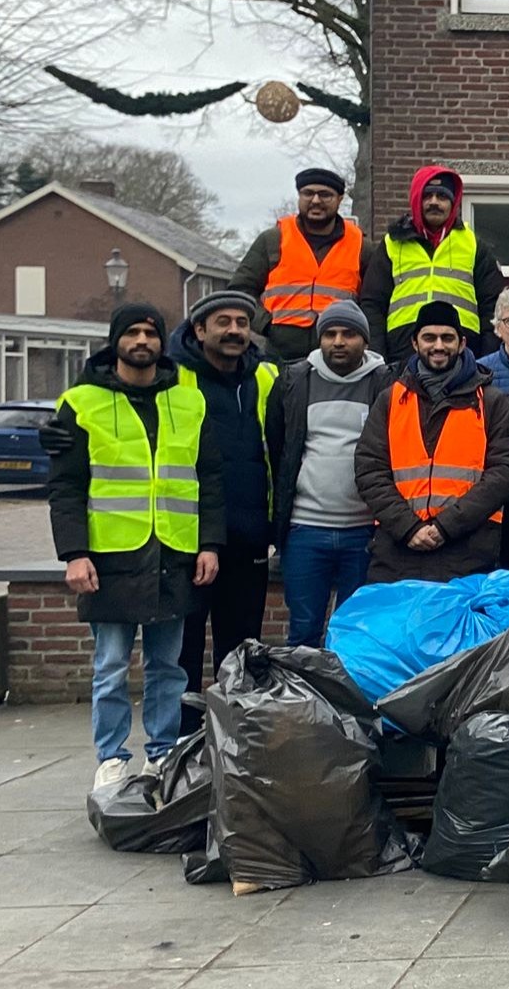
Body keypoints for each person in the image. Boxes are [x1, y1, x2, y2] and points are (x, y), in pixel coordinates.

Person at [48, 303, 223, 788]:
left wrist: (210, 543)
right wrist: (74, 554)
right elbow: (65, 486)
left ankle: (162, 753)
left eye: (151, 332)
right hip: (110, 558)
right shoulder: (82, 402)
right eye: (133, 333)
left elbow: (209, 477)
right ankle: (111, 757)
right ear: (115, 341)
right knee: (109, 667)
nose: (142, 340)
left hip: (174, 553)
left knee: (169, 666)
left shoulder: (188, 402)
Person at [354, 302, 509, 583]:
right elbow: (369, 469)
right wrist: (409, 528)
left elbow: (507, 472)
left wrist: (446, 526)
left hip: (467, 553)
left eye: (447, 338)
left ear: (462, 343)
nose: (439, 345)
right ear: (414, 342)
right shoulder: (391, 399)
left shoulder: (490, 401)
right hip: (397, 552)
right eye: (429, 338)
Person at [171, 290, 276, 733]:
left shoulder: (268, 377)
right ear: (199, 330)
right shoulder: (172, 378)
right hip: (189, 536)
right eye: (223, 322)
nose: (234, 330)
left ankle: (233, 737)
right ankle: (182, 739)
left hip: (249, 534)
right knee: (183, 650)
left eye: (241, 322)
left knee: (240, 648)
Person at [265, 301, 390, 649]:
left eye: (348, 334)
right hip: (305, 530)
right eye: (330, 333)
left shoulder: (386, 383)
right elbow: (280, 448)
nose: (338, 341)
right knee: (303, 634)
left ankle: (349, 704)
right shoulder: (293, 380)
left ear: (364, 340)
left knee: (357, 635)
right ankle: (301, 704)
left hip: (364, 533)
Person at [360, 166, 506, 363]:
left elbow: (493, 306)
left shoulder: (472, 244)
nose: (434, 202)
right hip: (402, 351)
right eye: (427, 196)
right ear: (416, 199)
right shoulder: (392, 244)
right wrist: (377, 355)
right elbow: (372, 304)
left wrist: (487, 358)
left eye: (442, 196)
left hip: (463, 352)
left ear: (453, 203)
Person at [230, 167, 366, 363]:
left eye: (325, 195)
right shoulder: (273, 240)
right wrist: (266, 325)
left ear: (340, 199)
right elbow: (240, 290)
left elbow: (372, 302)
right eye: (308, 193)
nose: (316, 200)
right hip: (280, 354)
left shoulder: (360, 245)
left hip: (339, 356)